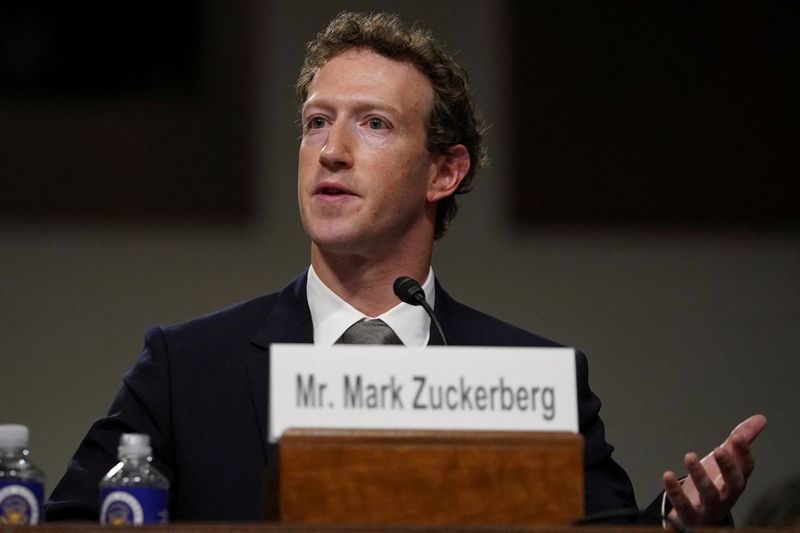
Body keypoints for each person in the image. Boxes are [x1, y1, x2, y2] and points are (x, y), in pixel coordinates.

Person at [44, 11, 765, 525]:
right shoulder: (186, 367)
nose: (330, 149)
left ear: (445, 172)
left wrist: (679, 520)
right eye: (317, 121)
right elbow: (72, 523)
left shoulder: (531, 377)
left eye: (374, 123)